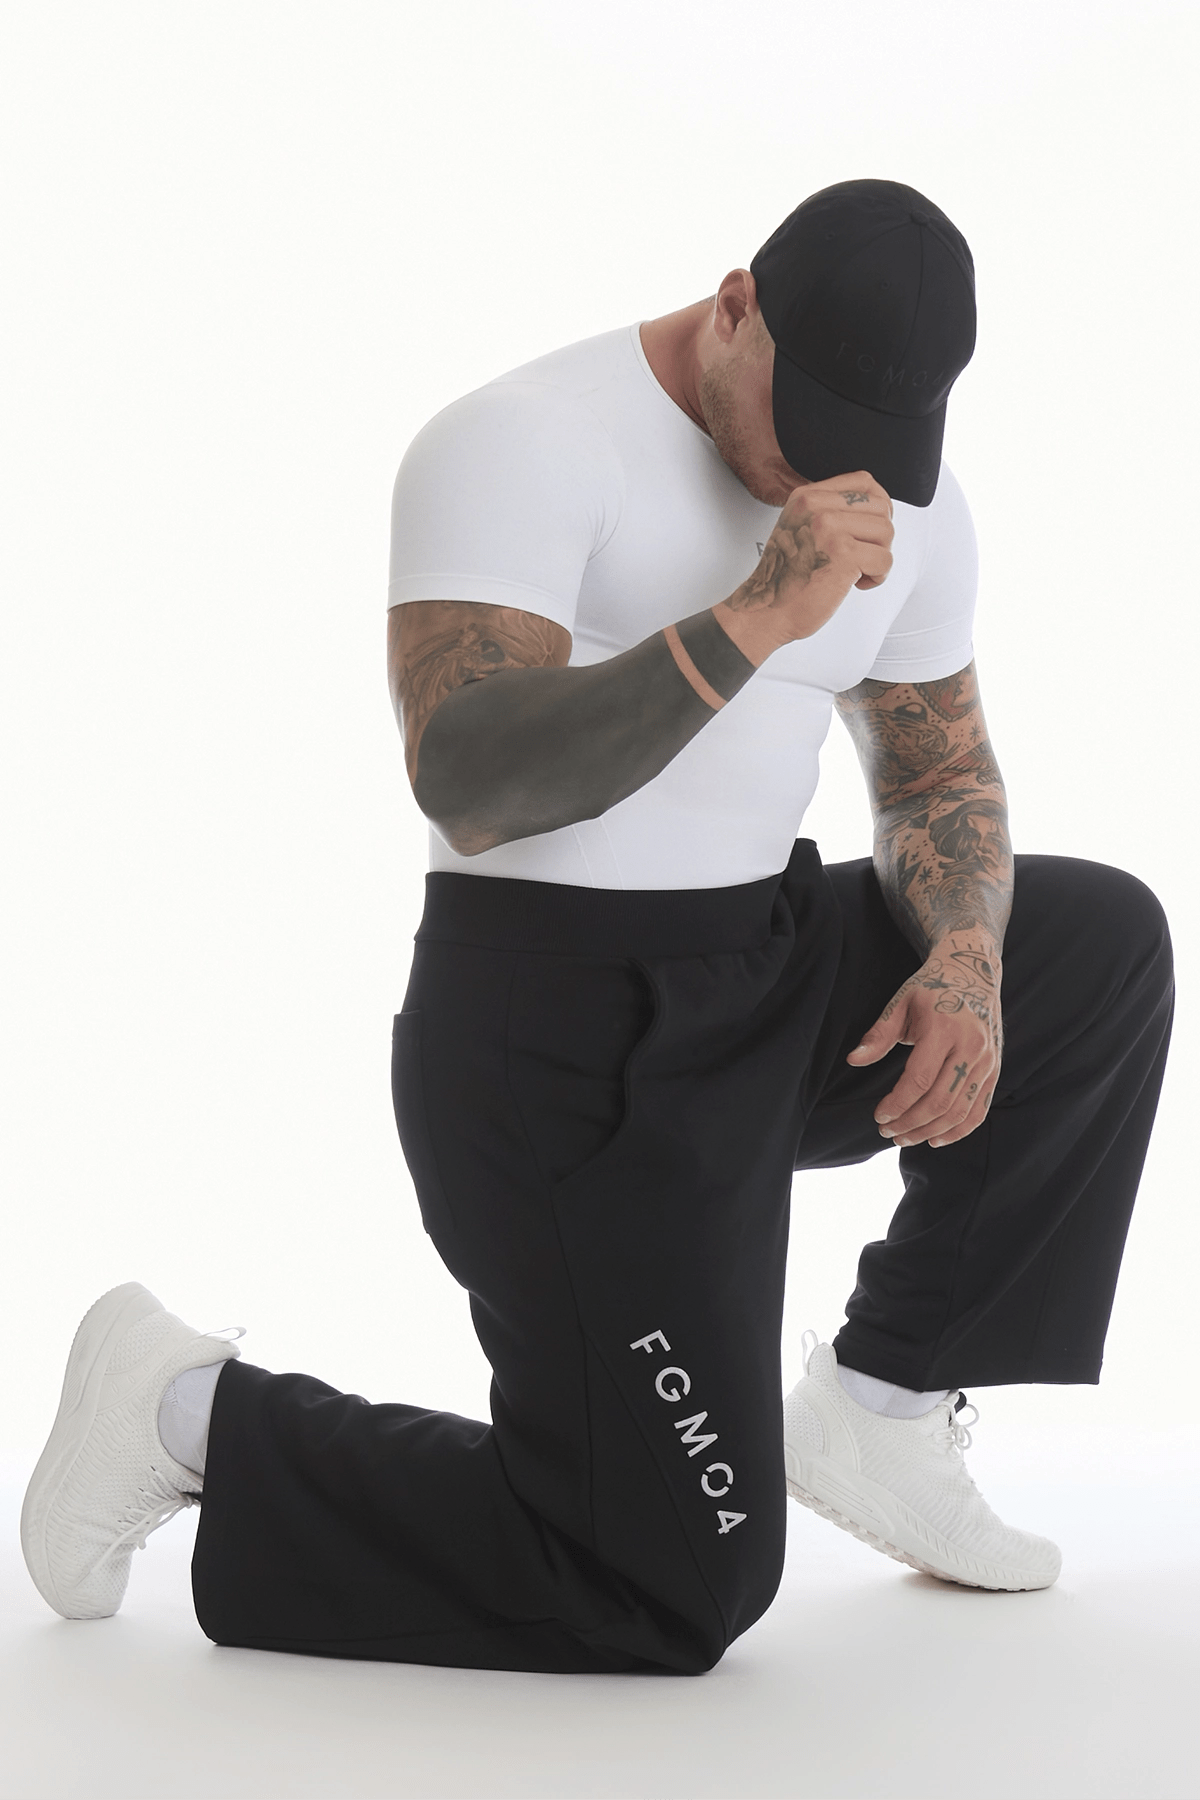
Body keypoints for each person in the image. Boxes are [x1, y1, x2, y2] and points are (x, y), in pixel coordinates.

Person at [21, 178, 1174, 1674]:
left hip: (766, 965)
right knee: (675, 1581)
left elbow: (939, 774)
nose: (820, 470)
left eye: (870, 443)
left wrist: (962, 958)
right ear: (736, 305)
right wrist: (756, 616)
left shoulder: (909, 504)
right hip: (559, 1040)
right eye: (805, 421)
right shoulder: (525, 442)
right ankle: (186, 1413)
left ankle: (885, 1403)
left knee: (1092, 947)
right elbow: (470, 779)